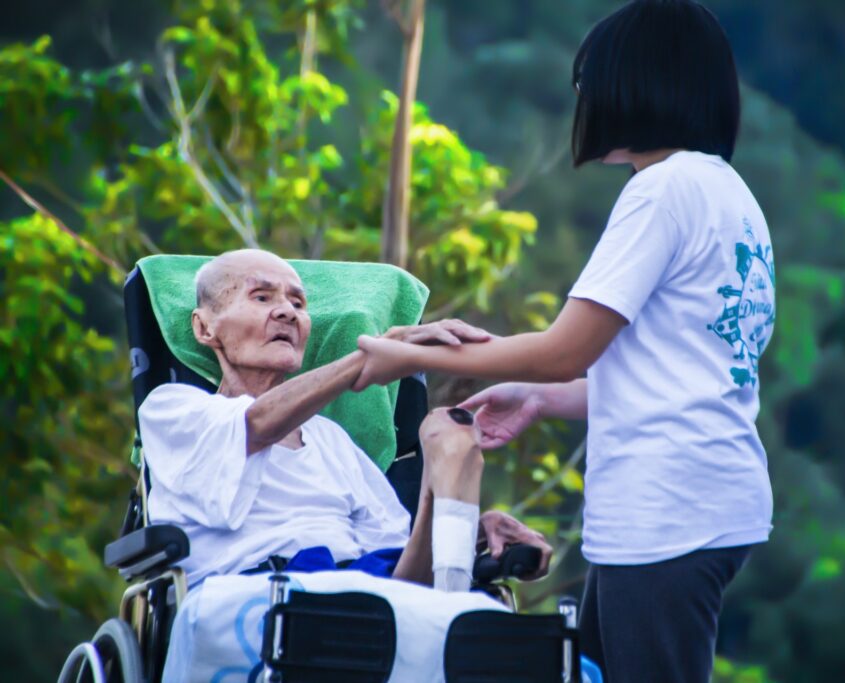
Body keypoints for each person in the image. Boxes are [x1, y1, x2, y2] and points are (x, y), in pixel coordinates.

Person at [352, 1, 775, 680]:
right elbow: (672, 371)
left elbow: (563, 347)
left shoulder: (661, 191)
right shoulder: (729, 194)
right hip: (711, 497)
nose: (586, 99)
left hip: (666, 509)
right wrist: (542, 400)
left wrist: (407, 354)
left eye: (593, 82)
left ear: (639, 84)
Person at [139, 249, 551, 591]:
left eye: (298, 303)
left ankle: (446, 478)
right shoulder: (173, 409)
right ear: (204, 327)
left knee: (447, 430)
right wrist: (372, 355)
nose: (287, 312)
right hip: (247, 598)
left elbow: (400, 563)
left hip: (358, 594)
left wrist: (469, 529)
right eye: (262, 298)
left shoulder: (331, 440)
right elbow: (256, 424)